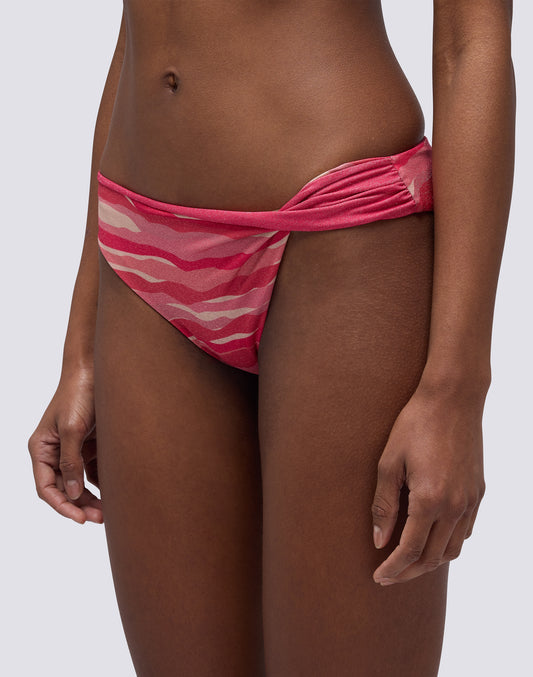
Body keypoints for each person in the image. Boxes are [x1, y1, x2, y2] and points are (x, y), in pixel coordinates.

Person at [27, 1, 516, 675]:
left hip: (337, 232)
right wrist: (80, 345)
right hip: (139, 245)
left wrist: (457, 390)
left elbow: (470, 45)